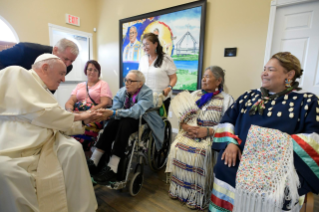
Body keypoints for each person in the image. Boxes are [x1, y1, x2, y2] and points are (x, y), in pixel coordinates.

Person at [210, 52, 319, 212]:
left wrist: (265, 143)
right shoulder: (248, 96)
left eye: (271, 69)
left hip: (279, 166)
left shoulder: (307, 101)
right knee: (223, 166)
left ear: (289, 74)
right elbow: (226, 121)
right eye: (264, 69)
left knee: (283, 188)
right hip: (239, 159)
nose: (264, 73)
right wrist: (230, 142)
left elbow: (314, 139)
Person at [0, 54, 100, 212]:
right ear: (45, 68)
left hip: (43, 142)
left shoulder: (44, 91)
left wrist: (84, 120)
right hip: (13, 143)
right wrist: (82, 117)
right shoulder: (17, 73)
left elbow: (54, 119)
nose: (64, 79)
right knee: (5, 172)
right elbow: (44, 114)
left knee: (72, 149)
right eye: (61, 73)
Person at [166, 66, 234, 210]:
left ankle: (197, 196)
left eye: (208, 76)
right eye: (203, 76)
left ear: (219, 81)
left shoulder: (227, 100)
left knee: (200, 154)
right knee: (177, 147)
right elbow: (183, 118)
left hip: (210, 137)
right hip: (190, 133)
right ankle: (179, 190)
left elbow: (228, 125)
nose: (203, 79)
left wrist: (208, 131)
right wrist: (186, 127)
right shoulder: (195, 94)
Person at [87, 70, 165, 185]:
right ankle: (94, 160)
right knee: (114, 121)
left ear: (140, 83)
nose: (127, 83)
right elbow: (115, 110)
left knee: (125, 121)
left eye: (131, 81)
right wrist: (106, 113)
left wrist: (114, 113)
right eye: (126, 80)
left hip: (143, 118)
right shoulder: (122, 91)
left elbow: (135, 112)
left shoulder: (146, 92)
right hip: (125, 119)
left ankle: (113, 167)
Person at [65, 60, 112, 153]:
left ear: (99, 73)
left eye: (95, 70)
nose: (92, 72)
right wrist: (70, 111)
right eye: (90, 69)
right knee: (66, 125)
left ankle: (83, 153)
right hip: (78, 114)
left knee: (83, 128)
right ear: (86, 71)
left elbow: (105, 102)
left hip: (95, 115)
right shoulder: (80, 85)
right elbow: (70, 101)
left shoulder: (103, 84)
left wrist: (89, 112)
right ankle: (71, 153)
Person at [138, 32, 177, 112]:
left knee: (160, 123)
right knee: (144, 122)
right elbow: (140, 77)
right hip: (145, 99)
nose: (145, 47)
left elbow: (173, 78)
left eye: (147, 44)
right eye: (143, 45)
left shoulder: (166, 59)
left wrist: (169, 88)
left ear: (155, 44)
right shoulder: (143, 59)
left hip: (161, 98)